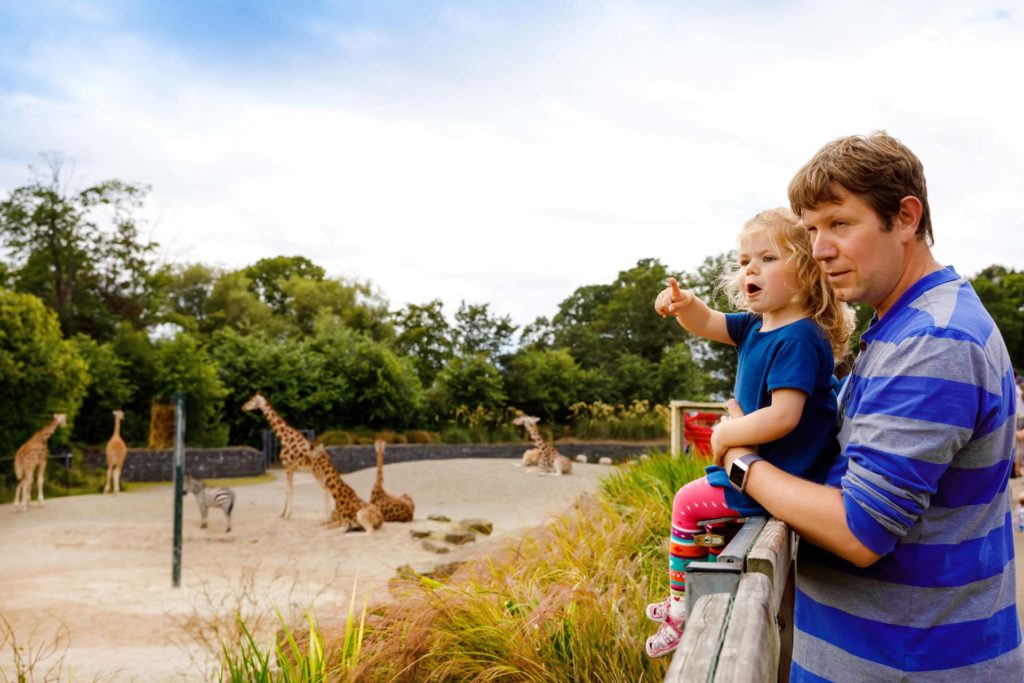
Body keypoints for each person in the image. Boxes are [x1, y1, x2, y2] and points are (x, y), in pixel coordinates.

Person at [715, 132, 1024, 680]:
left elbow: (859, 530)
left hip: (910, 663)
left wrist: (740, 461)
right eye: (810, 230)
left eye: (839, 224)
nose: (818, 249)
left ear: (905, 218)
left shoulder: (935, 340)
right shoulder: (900, 324)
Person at [645, 207, 853, 658]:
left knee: (686, 502)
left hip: (781, 472)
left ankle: (681, 607)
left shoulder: (799, 337)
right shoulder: (757, 326)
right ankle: (689, 592)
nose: (750, 270)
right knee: (706, 521)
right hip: (763, 467)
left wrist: (728, 435)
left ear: (805, 268)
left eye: (767, 258)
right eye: (743, 263)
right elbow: (709, 323)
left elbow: (784, 417)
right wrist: (684, 306)